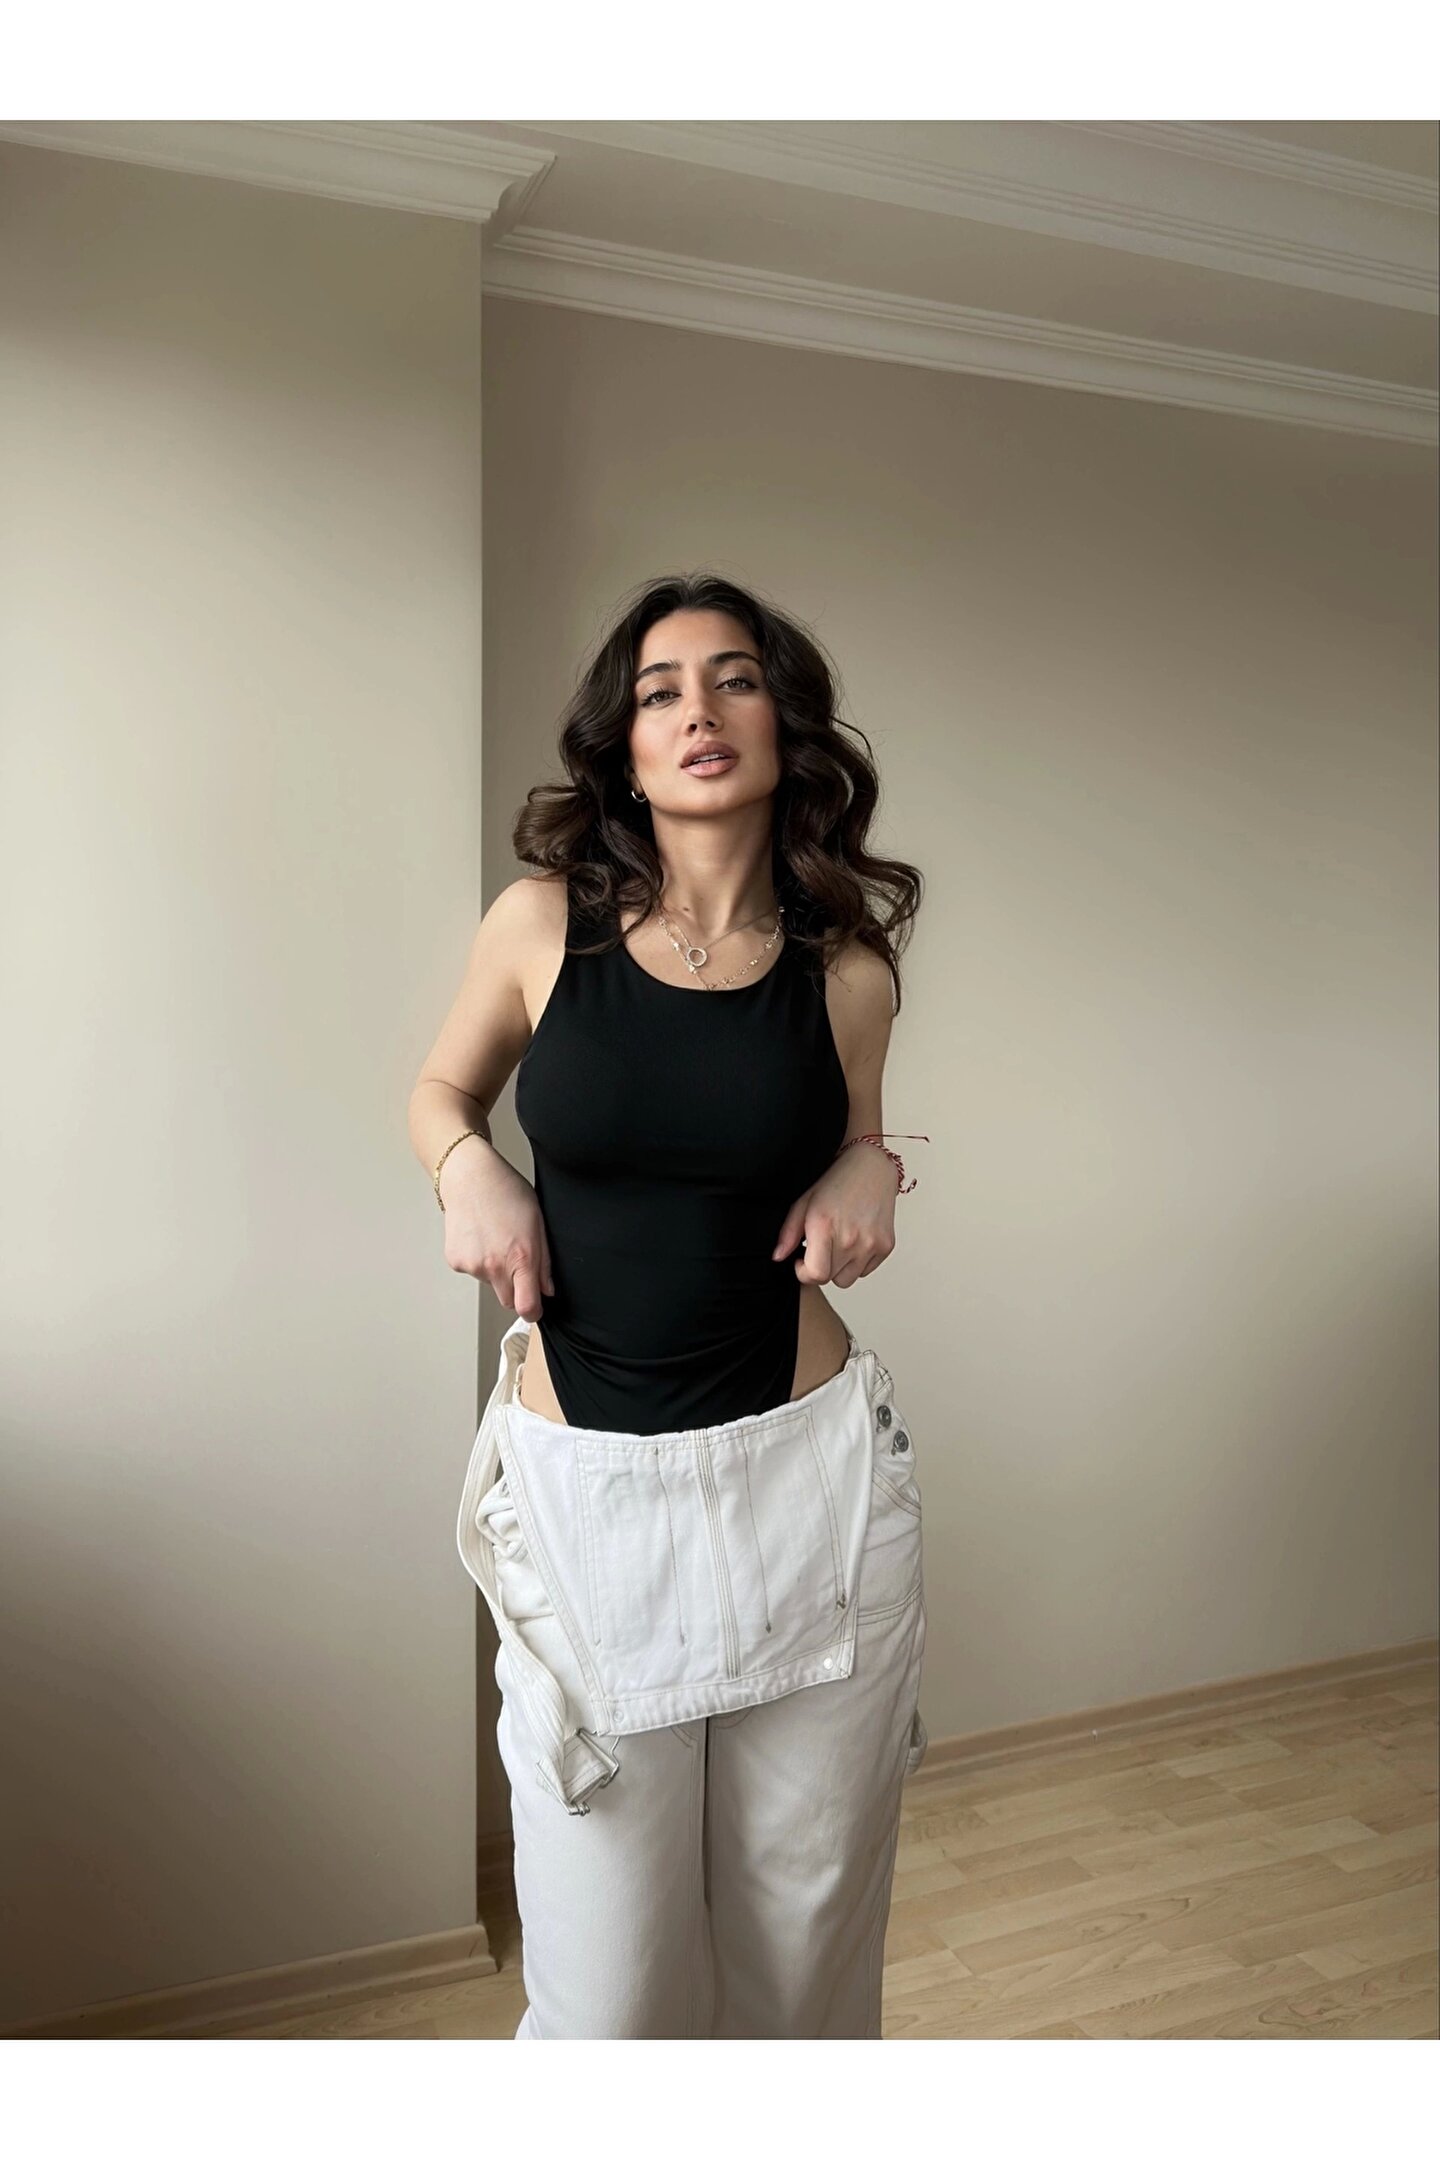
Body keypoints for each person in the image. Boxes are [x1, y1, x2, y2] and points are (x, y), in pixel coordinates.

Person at [408, 571, 930, 2039]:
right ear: (626, 747)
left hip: (808, 1487)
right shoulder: (539, 925)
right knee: (609, 2006)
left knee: (802, 1970)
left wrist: (877, 1166)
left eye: (734, 678)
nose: (698, 710)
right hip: (587, 1503)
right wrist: (468, 1169)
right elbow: (442, 1090)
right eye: (660, 690)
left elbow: (855, 1141)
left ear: (785, 725)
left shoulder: (848, 972)